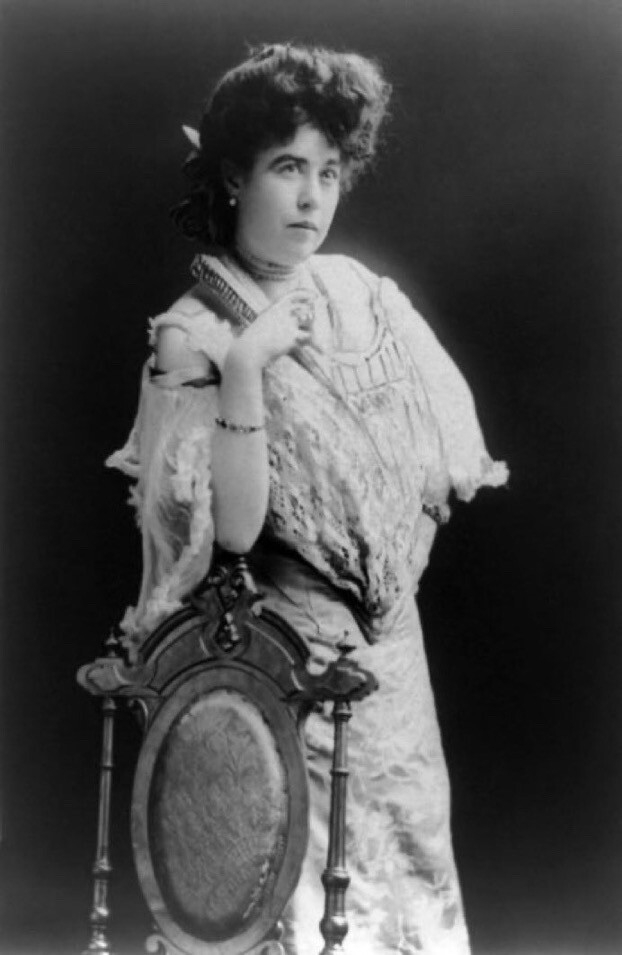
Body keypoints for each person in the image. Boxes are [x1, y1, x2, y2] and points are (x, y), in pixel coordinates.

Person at [107, 42, 507, 955]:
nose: (312, 197)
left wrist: (380, 583)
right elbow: (233, 534)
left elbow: (437, 466)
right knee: (299, 899)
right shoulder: (195, 334)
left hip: (389, 664)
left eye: (329, 170)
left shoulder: (366, 294)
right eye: (288, 168)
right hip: (282, 672)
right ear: (234, 180)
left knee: (401, 885)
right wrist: (247, 368)